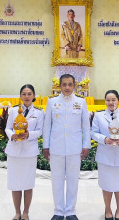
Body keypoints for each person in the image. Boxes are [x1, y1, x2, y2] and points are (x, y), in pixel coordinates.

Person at [43, 74, 91, 220]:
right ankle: (58, 211)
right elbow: (47, 126)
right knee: (56, 180)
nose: (67, 87)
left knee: (73, 180)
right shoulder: (52, 102)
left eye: (70, 84)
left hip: (74, 147)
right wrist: (46, 146)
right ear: (60, 86)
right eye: (64, 84)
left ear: (74, 86)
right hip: (56, 147)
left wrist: (86, 145)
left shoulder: (81, 102)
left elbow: (86, 126)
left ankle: (70, 211)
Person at [91, 90, 119, 220]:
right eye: (108, 100)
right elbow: (93, 133)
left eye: (113, 100)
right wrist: (104, 139)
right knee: (106, 184)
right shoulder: (99, 116)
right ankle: (107, 209)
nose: (111, 102)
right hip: (105, 155)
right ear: (105, 101)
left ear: (118, 100)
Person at [5, 84, 44, 220]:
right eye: (24, 94)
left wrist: (29, 134)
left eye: (29, 94)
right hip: (14, 151)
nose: (27, 96)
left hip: (29, 152)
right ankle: (17, 212)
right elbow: (8, 128)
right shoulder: (14, 110)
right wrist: (12, 135)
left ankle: (26, 212)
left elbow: (40, 131)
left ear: (34, 96)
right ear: (20, 96)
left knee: (28, 183)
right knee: (15, 183)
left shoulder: (39, 112)